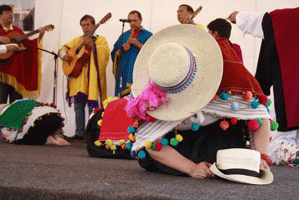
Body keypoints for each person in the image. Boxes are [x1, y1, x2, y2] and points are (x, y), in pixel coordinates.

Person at [124, 24, 273, 180]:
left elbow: (259, 115)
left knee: (225, 148)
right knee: (149, 157)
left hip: (217, 137)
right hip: (177, 143)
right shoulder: (150, 86)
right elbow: (151, 143)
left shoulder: (227, 74)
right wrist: (191, 168)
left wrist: (261, 157)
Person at [228, 8, 299, 166]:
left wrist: (237, 16)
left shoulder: (288, 18)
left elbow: (260, 21)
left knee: (278, 141)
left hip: (288, 89)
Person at [58, 14, 110, 140]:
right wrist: (65, 56)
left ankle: (93, 135)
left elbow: (106, 54)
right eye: (83, 25)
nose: (85, 27)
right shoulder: (77, 41)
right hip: (79, 80)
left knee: (94, 108)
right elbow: (62, 49)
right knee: (79, 107)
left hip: (93, 80)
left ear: (94, 25)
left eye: (88, 25)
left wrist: (94, 46)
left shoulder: (101, 40)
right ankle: (80, 133)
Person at [0, 4, 46, 104]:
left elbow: (29, 45)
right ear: (0, 16)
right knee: (0, 104)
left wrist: (40, 36)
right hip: (1, 75)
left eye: (11, 12)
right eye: (7, 13)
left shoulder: (18, 31)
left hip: (17, 75)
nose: (10, 15)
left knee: (15, 107)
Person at [111, 10, 152, 97]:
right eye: (130, 21)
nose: (132, 23)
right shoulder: (124, 35)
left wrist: (138, 44)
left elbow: (153, 53)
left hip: (140, 73)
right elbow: (114, 53)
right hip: (124, 73)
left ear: (141, 20)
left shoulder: (148, 35)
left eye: (135, 20)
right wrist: (121, 48)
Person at [0, 99, 70, 146]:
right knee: (47, 122)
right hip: (56, 116)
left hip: (38, 121)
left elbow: (11, 136)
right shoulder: (19, 102)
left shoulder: (3, 115)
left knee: (24, 139)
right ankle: (56, 135)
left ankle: (46, 139)